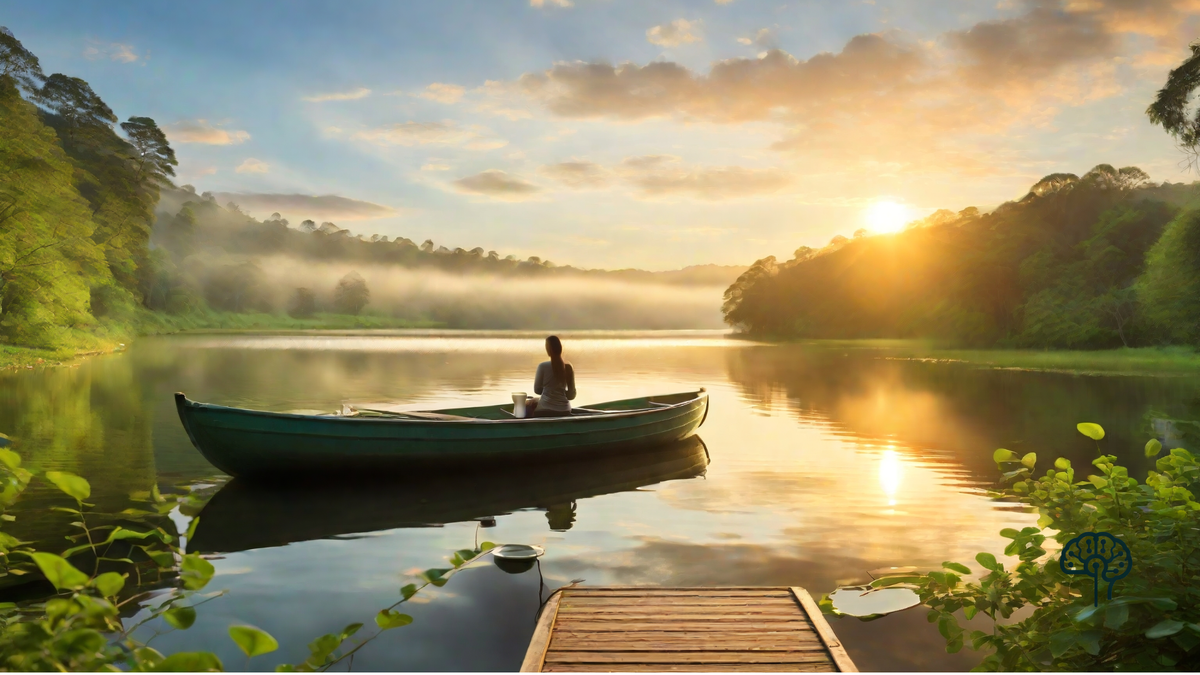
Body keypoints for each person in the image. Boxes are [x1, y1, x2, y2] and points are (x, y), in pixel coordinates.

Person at [528, 335, 575, 418]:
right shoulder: (568, 367)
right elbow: (572, 395)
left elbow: (537, 390)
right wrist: (560, 393)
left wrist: (550, 392)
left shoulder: (542, 366)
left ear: (548, 350)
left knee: (529, 406)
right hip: (565, 410)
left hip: (545, 409)